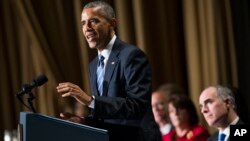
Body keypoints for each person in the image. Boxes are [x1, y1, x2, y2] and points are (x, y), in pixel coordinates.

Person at [56, 1, 160, 141]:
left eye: (93, 21)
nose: (87, 28)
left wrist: (89, 100)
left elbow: (137, 106)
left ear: (112, 23)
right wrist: (84, 122)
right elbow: (106, 117)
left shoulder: (131, 56)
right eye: (83, 23)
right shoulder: (93, 65)